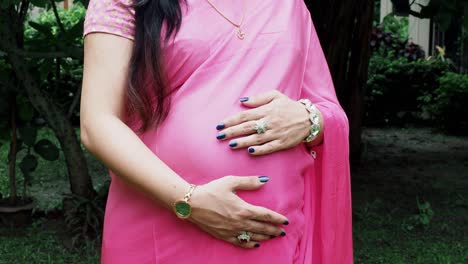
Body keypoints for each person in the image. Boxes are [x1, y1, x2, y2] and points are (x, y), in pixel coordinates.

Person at [80, 0, 353, 263]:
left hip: (267, 233)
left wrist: (309, 119)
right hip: (157, 222)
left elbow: (327, 109)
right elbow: (98, 122)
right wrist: (189, 202)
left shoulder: (289, 4)